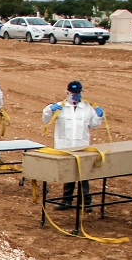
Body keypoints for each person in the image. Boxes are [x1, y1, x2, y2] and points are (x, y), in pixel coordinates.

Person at [42, 81, 104, 210]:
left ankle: (86, 203)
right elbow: (45, 120)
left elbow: (93, 124)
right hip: (66, 146)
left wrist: (98, 116)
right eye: (73, 93)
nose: (76, 96)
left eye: (78, 93)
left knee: (83, 175)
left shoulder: (87, 107)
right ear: (68, 93)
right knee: (68, 174)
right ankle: (67, 201)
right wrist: (49, 109)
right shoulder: (60, 107)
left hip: (82, 146)